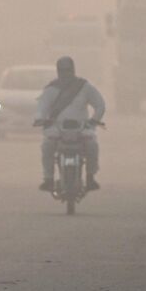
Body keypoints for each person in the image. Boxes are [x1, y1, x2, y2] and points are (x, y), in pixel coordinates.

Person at [36, 56, 105, 192]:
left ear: (73, 70)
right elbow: (42, 107)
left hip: (82, 127)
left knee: (92, 145)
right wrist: (40, 118)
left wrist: (93, 120)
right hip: (57, 127)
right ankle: (48, 179)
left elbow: (100, 105)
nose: (65, 73)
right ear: (58, 71)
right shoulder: (51, 89)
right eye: (62, 70)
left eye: (68, 70)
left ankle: (90, 177)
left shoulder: (84, 87)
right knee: (47, 145)